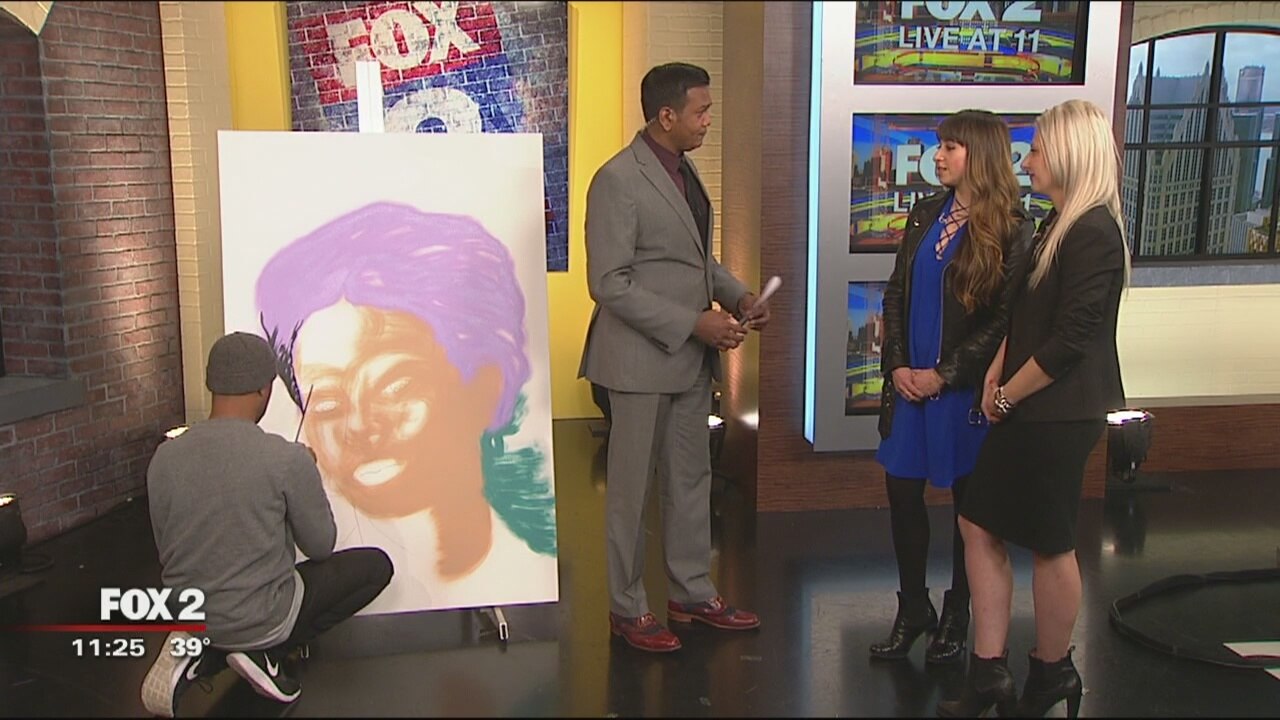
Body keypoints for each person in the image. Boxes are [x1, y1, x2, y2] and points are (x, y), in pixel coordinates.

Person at [255, 202, 558, 614]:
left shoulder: (525, 555)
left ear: (487, 384)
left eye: (395, 385)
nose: (359, 425)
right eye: (328, 402)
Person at [939, 99, 1129, 718]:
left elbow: (1070, 340)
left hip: (1060, 411)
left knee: (1050, 542)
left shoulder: (1094, 231)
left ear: (1070, 154)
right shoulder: (1055, 223)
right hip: (1028, 404)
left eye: (1039, 149)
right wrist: (998, 370)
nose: (1027, 161)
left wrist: (1006, 394)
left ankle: (1051, 672)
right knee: (978, 522)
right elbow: (1024, 314)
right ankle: (990, 670)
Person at [580, 61, 771, 652]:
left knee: (691, 482)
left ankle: (691, 593)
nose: (709, 120)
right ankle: (627, 608)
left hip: (689, 363)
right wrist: (693, 323)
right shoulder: (617, 180)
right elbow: (608, 282)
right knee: (632, 493)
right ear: (666, 116)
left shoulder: (685, 172)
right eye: (701, 110)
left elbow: (693, 261)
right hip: (638, 364)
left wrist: (737, 294)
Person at [141, 332, 394, 717]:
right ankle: (264, 652)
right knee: (375, 566)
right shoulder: (286, 459)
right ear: (264, 388)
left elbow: (167, 545)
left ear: (212, 384)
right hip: (259, 618)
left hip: (189, 612)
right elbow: (321, 546)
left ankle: (205, 651)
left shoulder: (164, 458)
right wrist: (306, 473)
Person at [872, 110, 1034, 665]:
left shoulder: (1013, 227)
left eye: (950, 147)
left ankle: (958, 613)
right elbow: (896, 293)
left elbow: (1004, 320)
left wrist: (944, 373)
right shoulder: (924, 214)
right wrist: (898, 365)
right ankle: (913, 608)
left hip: (964, 392)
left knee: (971, 509)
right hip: (909, 386)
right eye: (938, 146)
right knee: (901, 493)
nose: (937, 156)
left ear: (980, 155)